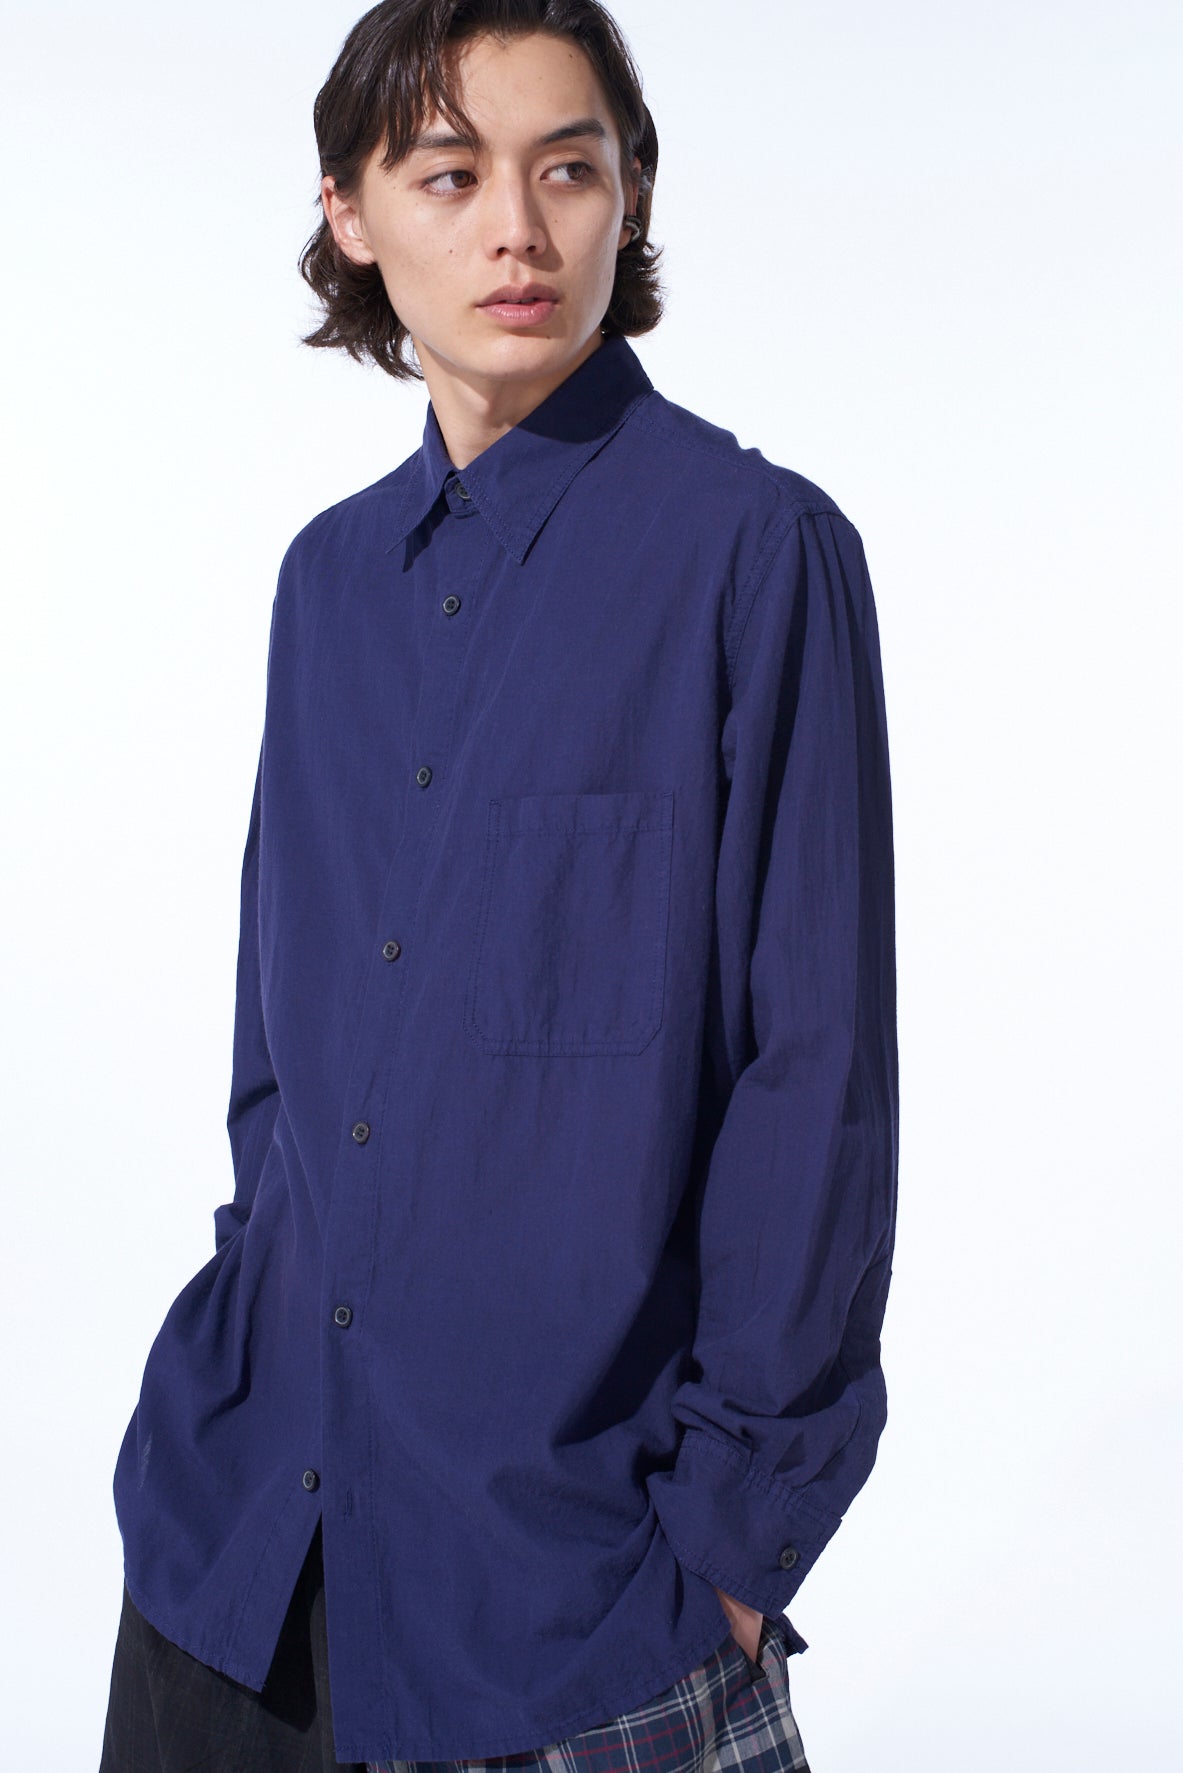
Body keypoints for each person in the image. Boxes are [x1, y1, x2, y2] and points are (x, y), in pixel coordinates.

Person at [99, 2, 899, 1769]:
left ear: (632, 198)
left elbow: (818, 1084)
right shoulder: (327, 586)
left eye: (570, 170)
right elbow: (278, 1059)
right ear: (351, 213)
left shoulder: (755, 556)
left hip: (568, 1612)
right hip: (233, 1561)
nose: (518, 232)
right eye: (451, 177)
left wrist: (735, 1547)